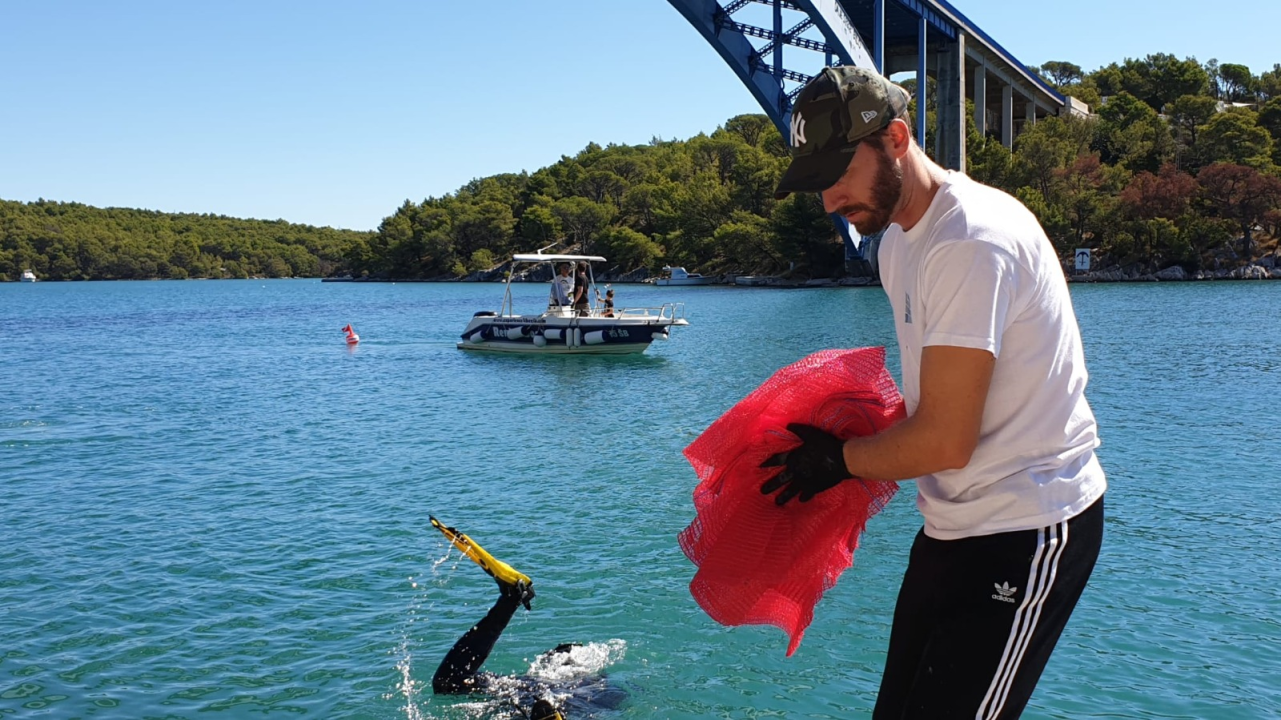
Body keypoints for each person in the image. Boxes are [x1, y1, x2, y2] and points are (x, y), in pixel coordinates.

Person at [762, 66, 1106, 719]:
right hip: (952, 523)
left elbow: (946, 440)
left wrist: (838, 461)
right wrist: (844, 435)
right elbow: (938, 400)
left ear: (895, 139)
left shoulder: (971, 239)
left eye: (837, 175)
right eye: (817, 183)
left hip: (1028, 525)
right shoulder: (897, 243)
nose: (829, 202)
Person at [429, 517, 625, 719]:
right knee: (449, 683)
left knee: (448, 682)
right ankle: (512, 597)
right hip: (566, 698)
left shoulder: (574, 689)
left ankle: (511, 597)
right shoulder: (594, 695)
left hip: (541, 694)